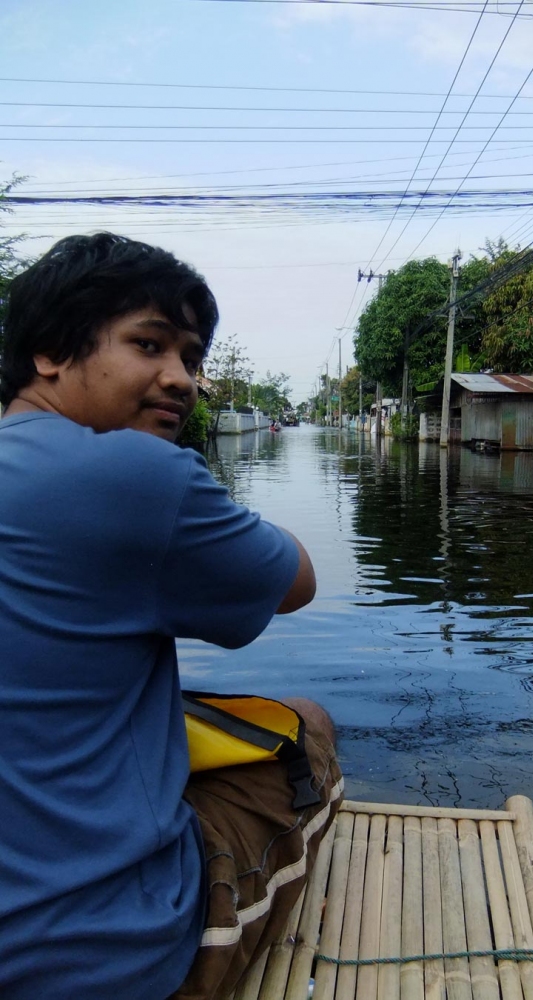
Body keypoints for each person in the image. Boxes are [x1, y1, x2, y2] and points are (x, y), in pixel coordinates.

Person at [0, 233, 343, 1000]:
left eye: (191, 359)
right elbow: (299, 582)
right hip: (92, 955)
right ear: (51, 352)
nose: (181, 380)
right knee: (306, 722)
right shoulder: (133, 471)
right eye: (149, 344)